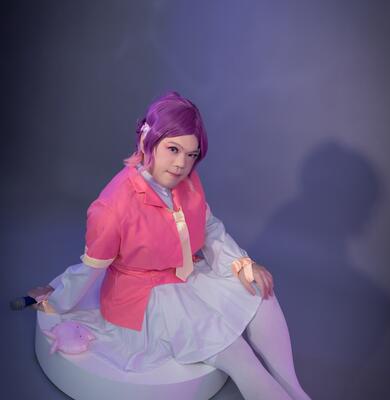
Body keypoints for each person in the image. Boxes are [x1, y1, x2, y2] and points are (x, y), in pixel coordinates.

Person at [30, 92, 311, 400]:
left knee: (259, 291)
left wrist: (243, 264)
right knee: (238, 354)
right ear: (146, 141)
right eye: (173, 149)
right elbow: (90, 270)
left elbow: (208, 227)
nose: (181, 164)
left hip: (186, 275)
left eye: (191, 155)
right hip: (144, 298)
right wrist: (55, 301)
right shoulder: (112, 207)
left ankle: (295, 389)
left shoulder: (187, 182)